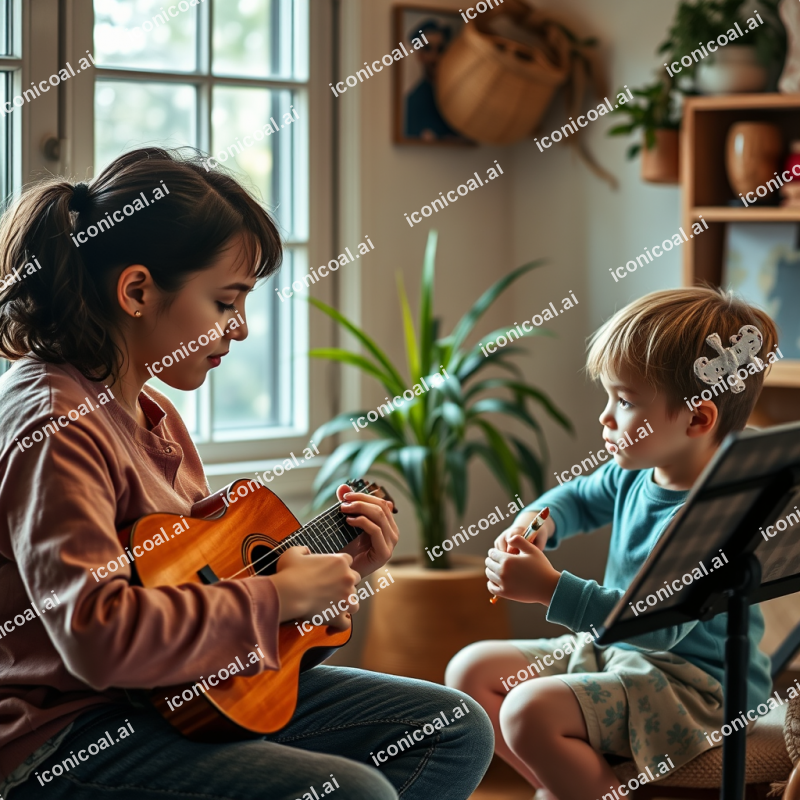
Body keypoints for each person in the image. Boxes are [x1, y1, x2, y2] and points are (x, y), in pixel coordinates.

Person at [0, 147, 494, 800]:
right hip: (61, 737)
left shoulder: (155, 416)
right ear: (138, 291)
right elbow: (96, 634)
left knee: (452, 727)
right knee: (355, 792)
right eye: (225, 302)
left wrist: (330, 583)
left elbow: (209, 605)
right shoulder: (55, 424)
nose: (241, 329)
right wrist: (281, 597)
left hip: (164, 699)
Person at [446, 287, 779, 799]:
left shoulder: (713, 516)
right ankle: (574, 787)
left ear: (697, 418)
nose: (605, 416)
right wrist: (537, 522)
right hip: (617, 652)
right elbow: (577, 499)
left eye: (624, 401)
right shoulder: (638, 471)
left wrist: (550, 589)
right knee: (470, 671)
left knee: (527, 711)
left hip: (696, 687)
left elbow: (657, 627)